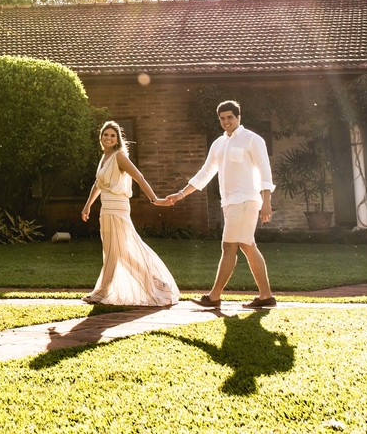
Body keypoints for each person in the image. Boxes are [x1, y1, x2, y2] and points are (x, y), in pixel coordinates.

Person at [165, 100, 277, 309]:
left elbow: (265, 170)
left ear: (238, 117)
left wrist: (267, 200)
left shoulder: (252, 139)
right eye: (222, 118)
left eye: (230, 117)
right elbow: (206, 172)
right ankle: (266, 296)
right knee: (248, 246)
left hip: (246, 200)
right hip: (229, 203)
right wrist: (181, 194)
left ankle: (214, 296)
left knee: (229, 246)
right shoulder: (218, 143)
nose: (226, 122)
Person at [80, 120, 180, 306]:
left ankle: (103, 292)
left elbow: (139, 177)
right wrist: (88, 206)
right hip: (106, 209)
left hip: (118, 209)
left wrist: (154, 199)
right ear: (100, 137)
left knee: (117, 251)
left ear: (117, 139)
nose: (109, 138)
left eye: (112, 135)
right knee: (116, 252)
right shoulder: (104, 157)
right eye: (106, 134)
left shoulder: (119, 157)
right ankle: (158, 284)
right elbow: (98, 184)